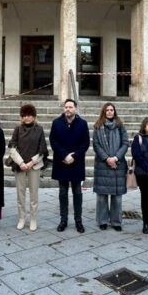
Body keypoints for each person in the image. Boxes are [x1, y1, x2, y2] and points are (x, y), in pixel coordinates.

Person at [50, 98, 90, 233]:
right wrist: (64, 155)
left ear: (75, 109)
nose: (68, 109)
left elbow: (85, 143)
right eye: (66, 107)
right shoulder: (56, 123)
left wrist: (74, 156)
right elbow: (53, 141)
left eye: (70, 107)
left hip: (76, 163)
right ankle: (63, 220)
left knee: (77, 192)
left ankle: (78, 221)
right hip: (61, 162)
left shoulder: (82, 123)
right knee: (63, 193)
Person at [9, 104, 48, 231]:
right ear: (21, 117)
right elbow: (12, 147)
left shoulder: (39, 129)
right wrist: (21, 163)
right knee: (20, 193)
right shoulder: (17, 129)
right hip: (20, 165)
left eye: (30, 115)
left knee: (34, 194)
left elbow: (42, 149)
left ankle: (33, 219)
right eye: (24, 115)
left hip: (34, 165)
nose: (27, 117)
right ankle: (21, 218)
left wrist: (32, 162)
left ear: (34, 116)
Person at [92, 102, 129, 231]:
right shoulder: (98, 126)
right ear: (104, 112)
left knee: (117, 197)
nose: (109, 112)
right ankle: (102, 220)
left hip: (118, 164)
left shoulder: (120, 126)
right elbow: (96, 145)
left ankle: (116, 221)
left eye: (111, 110)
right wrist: (107, 159)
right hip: (102, 164)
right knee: (102, 197)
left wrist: (115, 158)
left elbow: (125, 143)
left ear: (114, 112)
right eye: (107, 110)